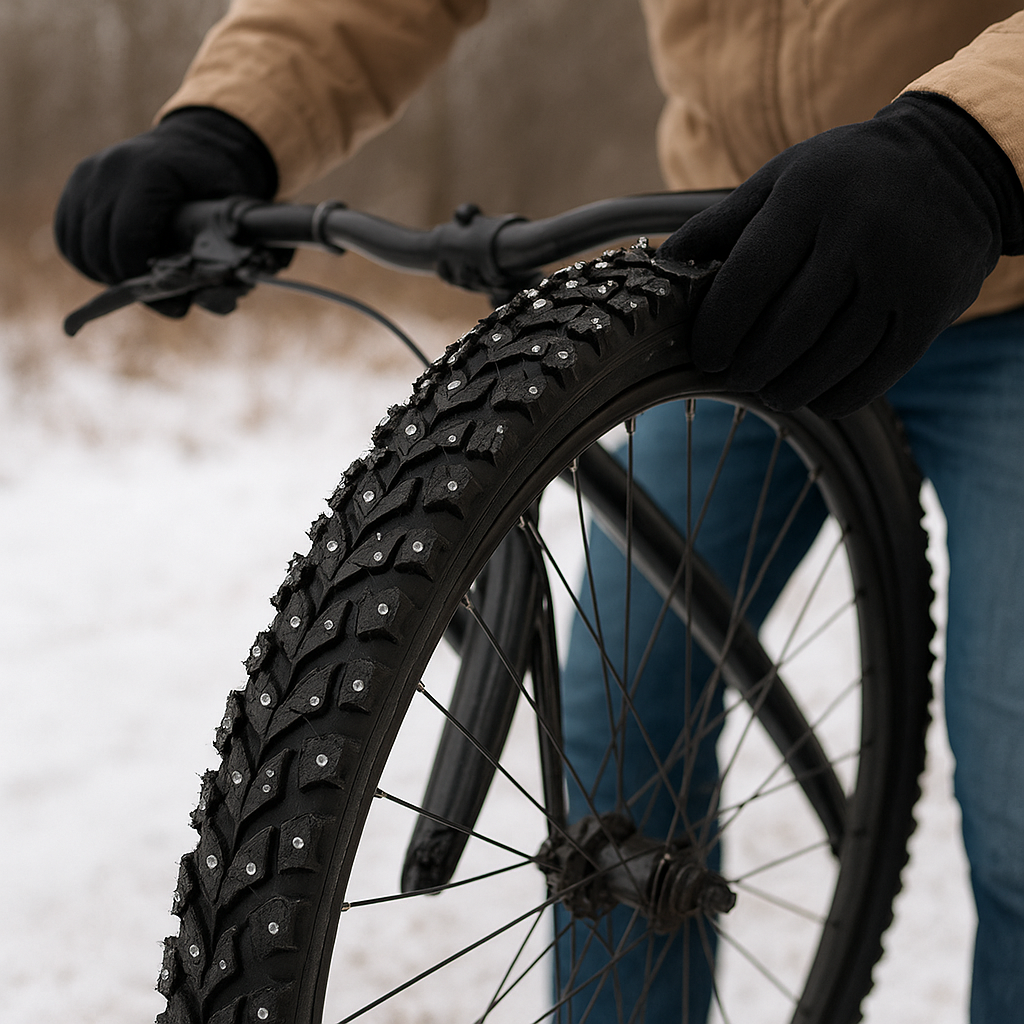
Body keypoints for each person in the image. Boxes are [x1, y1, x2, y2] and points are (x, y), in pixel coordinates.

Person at [54, 2, 1024, 1021]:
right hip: (753, 275)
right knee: (617, 737)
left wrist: (972, 145)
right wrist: (231, 120)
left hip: (996, 254)